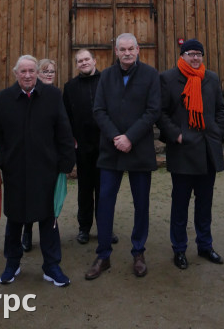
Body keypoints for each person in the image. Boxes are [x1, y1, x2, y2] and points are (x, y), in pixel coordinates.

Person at [0, 54, 76, 287]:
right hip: (15, 170)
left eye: (31, 71)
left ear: (37, 73)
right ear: (16, 73)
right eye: (23, 71)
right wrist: (3, 159)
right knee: (15, 220)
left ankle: (52, 266)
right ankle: (12, 263)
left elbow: (63, 131)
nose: (27, 75)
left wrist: (66, 163)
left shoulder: (53, 96)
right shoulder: (4, 99)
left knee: (49, 220)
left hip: (46, 170)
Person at [84, 33, 160, 280]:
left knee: (141, 204)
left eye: (131, 49)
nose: (127, 53)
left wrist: (131, 137)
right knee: (105, 203)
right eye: (122, 49)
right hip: (111, 150)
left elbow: (153, 110)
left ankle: (138, 252)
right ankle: (103, 255)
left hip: (139, 149)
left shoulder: (150, 75)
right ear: (115, 51)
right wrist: (117, 136)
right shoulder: (106, 76)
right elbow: (98, 110)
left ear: (138, 49)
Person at [158, 38, 224, 270]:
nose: (195, 58)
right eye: (191, 54)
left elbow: (220, 108)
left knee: (204, 203)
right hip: (183, 150)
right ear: (182, 56)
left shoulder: (212, 78)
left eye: (199, 54)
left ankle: (205, 245)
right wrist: (175, 135)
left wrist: (217, 132)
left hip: (207, 149)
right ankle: (179, 249)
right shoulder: (168, 78)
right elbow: (161, 112)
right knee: (180, 203)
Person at [63, 49, 118, 246]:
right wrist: (71, 138)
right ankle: (84, 228)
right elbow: (66, 116)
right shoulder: (69, 87)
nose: (84, 63)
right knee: (85, 190)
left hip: (106, 146)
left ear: (94, 61)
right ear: (77, 65)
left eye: (87, 59)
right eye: (80, 61)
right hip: (83, 146)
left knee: (105, 190)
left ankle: (105, 228)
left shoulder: (108, 81)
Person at [20, 57, 59, 253]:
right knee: (29, 195)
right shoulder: (29, 94)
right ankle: (27, 231)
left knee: (50, 198)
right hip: (31, 155)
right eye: (45, 71)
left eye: (51, 71)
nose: (49, 75)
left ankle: (51, 234)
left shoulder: (56, 94)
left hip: (50, 154)